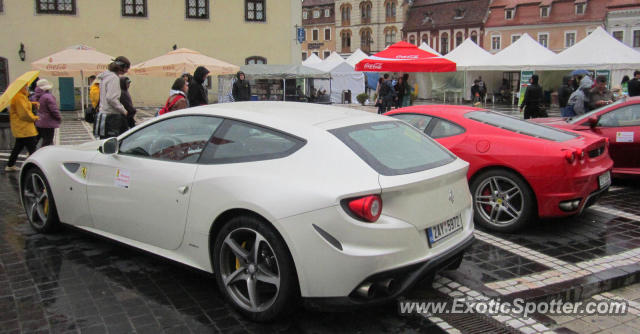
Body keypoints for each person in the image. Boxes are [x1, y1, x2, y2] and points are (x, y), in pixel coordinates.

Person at [94, 56, 131, 139]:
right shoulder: (113, 78)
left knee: (104, 141)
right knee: (112, 142)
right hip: (111, 118)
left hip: (103, 115)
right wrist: (123, 110)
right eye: (127, 68)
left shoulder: (105, 76)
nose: (127, 71)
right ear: (122, 67)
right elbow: (111, 98)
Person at [5, 84, 39, 172]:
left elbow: (24, 106)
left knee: (18, 147)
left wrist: (32, 104)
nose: (27, 88)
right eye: (25, 86)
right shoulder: (19, 97)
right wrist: (34, 118)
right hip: (24, 128)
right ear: (21, 87)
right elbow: (24, 113)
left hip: (21, 128)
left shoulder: (20, 97)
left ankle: (10, 165)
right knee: (32, 149)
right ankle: (36, 167)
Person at [30, 79, 61, 147]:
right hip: (48, 123)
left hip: (38, 121)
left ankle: (32, 152)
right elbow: (54, 109)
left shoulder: (34, 96)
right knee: (47, 141)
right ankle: (44, 155)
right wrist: (58, 117)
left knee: (38, 140)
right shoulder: (48, 97)